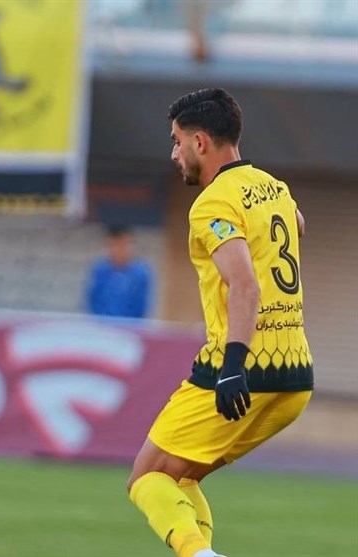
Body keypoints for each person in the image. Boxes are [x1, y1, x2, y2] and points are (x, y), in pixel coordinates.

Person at [126, 88, 313, 557]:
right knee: (181, 477)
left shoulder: (212, 204)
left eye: (177, 141)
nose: (174, 153)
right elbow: (297, 224)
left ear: (201, 142)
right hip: (295, 375)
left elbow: (244, 284)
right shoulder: (274, 188)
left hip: (240, 369)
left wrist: (232, 367)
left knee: (147, 477)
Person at [84, 224, 153, 318]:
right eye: (115, 245)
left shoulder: (141, 274)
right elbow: (93, 301)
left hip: (130, 324)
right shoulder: (100, 270)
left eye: (124, 245)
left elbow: (141, 307)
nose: (119, 250)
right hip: (102, 323)